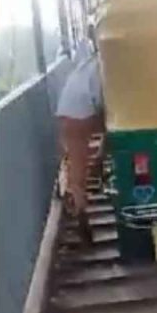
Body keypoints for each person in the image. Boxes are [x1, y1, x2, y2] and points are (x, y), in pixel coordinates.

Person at [55, 23, 104, 244]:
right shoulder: (107, 65)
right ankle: (100, 162)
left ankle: (80, 205)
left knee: (76, 163)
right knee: (117, 127)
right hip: (87, 112)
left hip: (67, 109)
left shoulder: (88, 62)